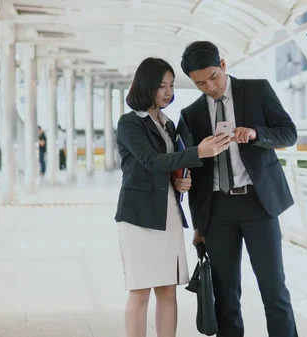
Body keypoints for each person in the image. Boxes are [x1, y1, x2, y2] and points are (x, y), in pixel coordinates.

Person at [179, 41, 299, 337]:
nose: (210, 87)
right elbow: (196, 175)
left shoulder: (256, 90)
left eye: (213, 77)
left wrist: (256, 133)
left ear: (223, 64)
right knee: (225, 295)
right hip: (218, 210)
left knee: (274, 290)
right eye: (200, 83)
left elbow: (289, 132)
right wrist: (199, 225)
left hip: (259, 204)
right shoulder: (191, 114)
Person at [114, 57, 231, 337]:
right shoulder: (130, 123)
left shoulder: (167, 125)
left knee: (168, 289)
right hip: (139, 217)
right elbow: (152, 161)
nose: (168, 91)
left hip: (169, 214)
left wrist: (182, 179)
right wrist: (198, 153)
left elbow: (167, 165)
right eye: (161, 86)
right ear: (145, 86)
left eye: (170, 85)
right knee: (140, 290)